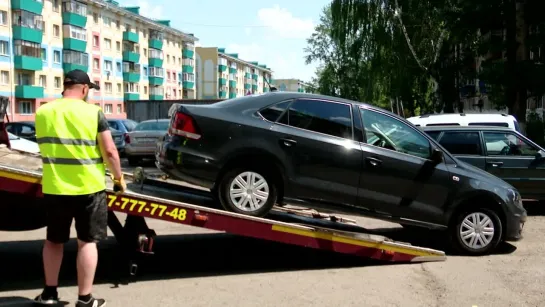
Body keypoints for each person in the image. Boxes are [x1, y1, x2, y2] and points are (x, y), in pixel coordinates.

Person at [33, 69, 126, 307]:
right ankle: (85, 299)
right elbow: (109, 151)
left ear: (65, 87)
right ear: (84, 89)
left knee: (53, 241)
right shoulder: (93, 112)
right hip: (89, 188)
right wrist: (118, 179)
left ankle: (49, 294)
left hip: (55, 187)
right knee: (87, 242)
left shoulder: (43, 112)